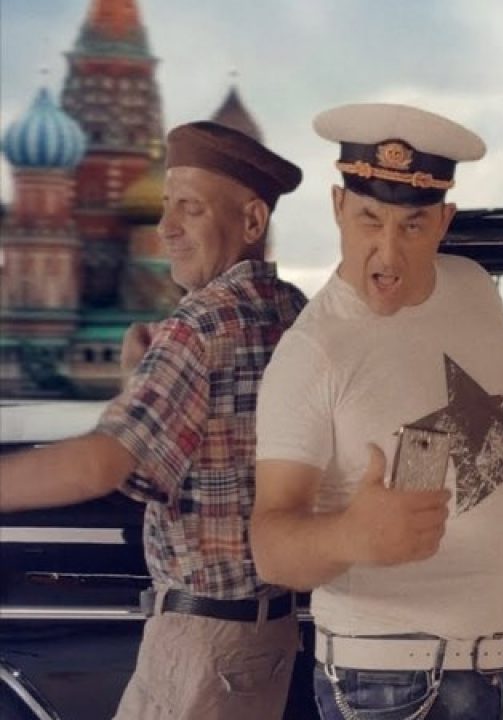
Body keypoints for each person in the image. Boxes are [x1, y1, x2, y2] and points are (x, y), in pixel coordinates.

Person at [249, 102, 503, 720]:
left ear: (443, 220)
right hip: (393, 685)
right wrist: (350, 535)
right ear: (338, 207)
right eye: (370, 218)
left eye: (413, 225)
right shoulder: (312, 352)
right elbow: (270, 544)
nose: (388, 252)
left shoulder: (472, 287)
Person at [0, 121, 306, 719]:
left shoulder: (200, 326)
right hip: (266, 639)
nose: (165, 227)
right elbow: (212, 454)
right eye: (167, 206)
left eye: (190, 208)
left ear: (252, 221)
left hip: (201, 645)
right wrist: (139, 385)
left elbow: (100, 465)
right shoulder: (290, 310)